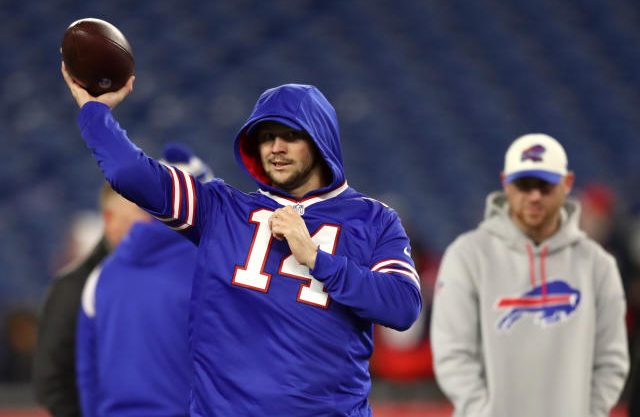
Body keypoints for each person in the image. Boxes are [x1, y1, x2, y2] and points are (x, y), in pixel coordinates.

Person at [61, 64, 422, 416]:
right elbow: (130, 172)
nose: (276, 148)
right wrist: (95, 112)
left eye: (290, 135)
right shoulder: (221, 209)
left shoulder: (374, 219)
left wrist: (316, 258)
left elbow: (402, 307)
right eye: (266, 136)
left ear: (320, 138)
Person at [430, 133, 629, 417]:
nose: (534, 196)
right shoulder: (467, 256)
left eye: (545, 186)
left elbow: (611, 359)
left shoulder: (597, 264)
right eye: (524, 185)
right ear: (505, 183)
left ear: (567, 184)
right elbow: (453, 354)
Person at [33, 142, 212, 417]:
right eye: (139, 214)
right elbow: (57, 379)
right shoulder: (78, 284)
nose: (146, 222)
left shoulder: (101, 279)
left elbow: (86, 374)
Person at [33, 181, 151, 417]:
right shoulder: (74, 287)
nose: (147, 229)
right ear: (109, 220)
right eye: (134, 221)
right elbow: (52, 379)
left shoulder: (161, 278)